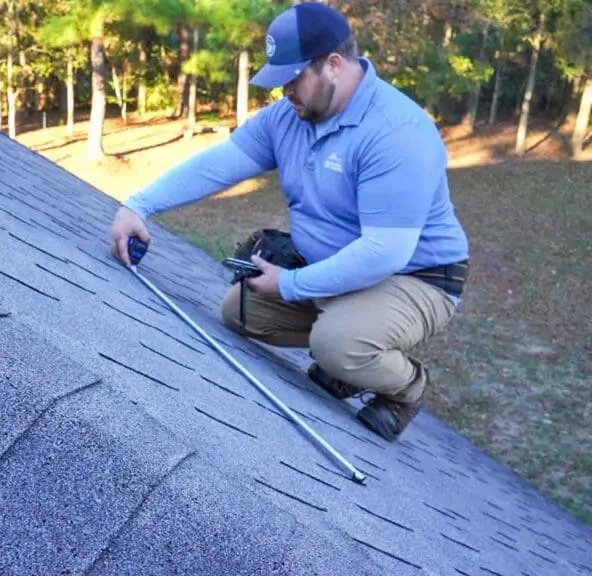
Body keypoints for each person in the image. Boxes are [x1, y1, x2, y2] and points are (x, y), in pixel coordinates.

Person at [108, 1, 469, 442]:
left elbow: (384, 252)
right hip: (341, 268)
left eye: (294, 78)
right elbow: (218, 165)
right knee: (238, 310)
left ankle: (406, 386)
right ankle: (349, 360)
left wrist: (291, 286)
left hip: (415, 276)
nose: (285, 92)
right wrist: (137, 206)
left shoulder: (397, 133)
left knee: (337, 345)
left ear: (334, 65)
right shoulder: (289, 117)